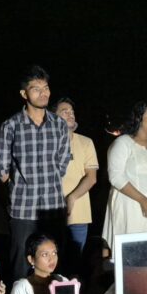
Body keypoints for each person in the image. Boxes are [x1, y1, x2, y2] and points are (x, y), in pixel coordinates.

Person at [0, 66, 70, 281]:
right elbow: (1, 169)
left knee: (54, 265)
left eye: (45, 88)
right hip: (22, 209)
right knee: (21, 264)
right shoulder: (11, 126)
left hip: (52, 208)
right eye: (36, 89)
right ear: (24, 94)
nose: (43, 93)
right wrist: (16, 190)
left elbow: (63, 162)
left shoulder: (59, 125)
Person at [102, 101, 147, 250]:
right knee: (128, 253)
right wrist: (143, 200)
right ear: (139, 119)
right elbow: (116, 176)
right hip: (129, 206)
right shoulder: (123, 143)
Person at [54, 97, 98, 266]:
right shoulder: (46, 143)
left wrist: (72, 198)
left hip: (78, 214)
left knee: (75, 263)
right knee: (52, 262)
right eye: (64, 111)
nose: (70, 114)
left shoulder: (86, 142)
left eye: (72, 111)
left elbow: (91, 177)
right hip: (51, 213)